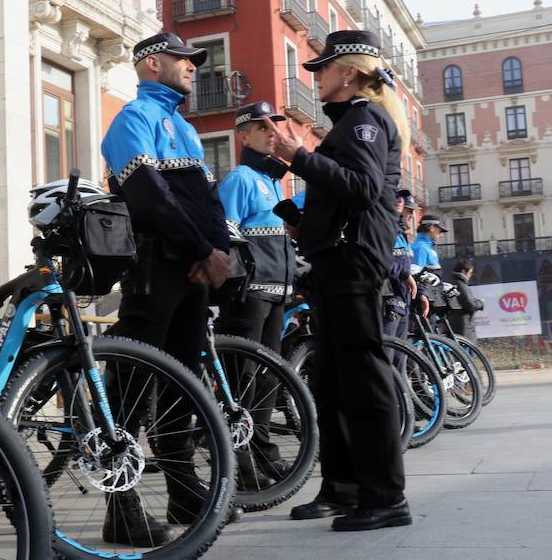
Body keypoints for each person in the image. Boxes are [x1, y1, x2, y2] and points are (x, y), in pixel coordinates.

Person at [268, 30, 412, 531]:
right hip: (337, 259)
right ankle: (344, 489)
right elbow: (347, 194)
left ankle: (386, 497)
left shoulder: (365, 120)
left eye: (322, 68)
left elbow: (364, 189)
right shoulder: (351, 122)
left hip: (353, 262)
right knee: (331, 380)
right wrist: (308, 224)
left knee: (362, 378)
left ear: (348, 73)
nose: (316, 77)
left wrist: (299, 156)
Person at [101, 31, 237, 545]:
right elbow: (149, 198)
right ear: (153, 63)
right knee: (133, 383)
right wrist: (202, 250)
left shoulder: (185, 127)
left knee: (185, 380)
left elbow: (209, 198)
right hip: (156, 267)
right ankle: (120, 503)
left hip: (193, 270)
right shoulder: (132, 119)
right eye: (183, 58)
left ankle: (182, 488)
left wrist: (217, 250)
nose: (193, 66)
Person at [215, 101, 296, 490]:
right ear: (243, 137)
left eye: (274, 126)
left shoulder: (274, 181)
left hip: (277, 293)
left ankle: (263, 451)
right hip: (248, 294)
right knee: (242, 379)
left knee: (269, 377)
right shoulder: (240, 179)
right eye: (262, 127)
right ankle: (241, 462)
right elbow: (225, 235)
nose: (271, 133)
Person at [382, 190, 419, 347]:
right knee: (388, 352)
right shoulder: (385, 228)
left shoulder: (402, 234)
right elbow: (381, 260)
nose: (411, 215)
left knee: (400, 356)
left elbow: (411, 269)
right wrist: (404, 274)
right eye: (409, 212)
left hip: (403, 300)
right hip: (390, 298)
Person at [447, 259, 484, 342]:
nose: (470, 276)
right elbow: (470, 304)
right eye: (470, 273)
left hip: (457, 324)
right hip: (464, 326)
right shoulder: (461, 285)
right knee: (468, 348)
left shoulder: (452, 282)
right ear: (463, 271)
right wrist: (480, 303)